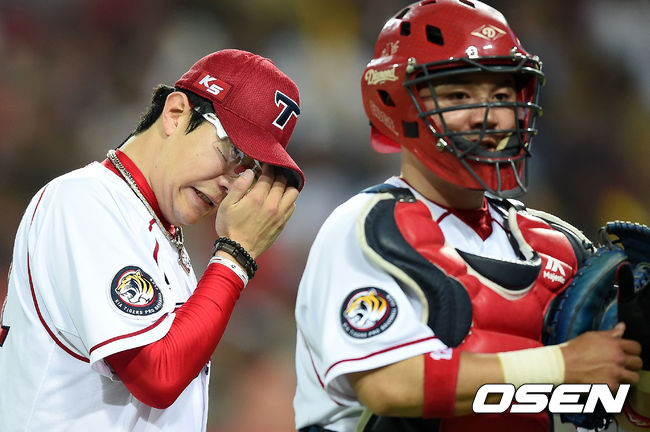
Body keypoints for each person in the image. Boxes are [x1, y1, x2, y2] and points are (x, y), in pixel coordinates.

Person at [293, 1, 649, 432]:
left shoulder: (561, 247)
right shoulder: (367, 227)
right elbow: (388, 385)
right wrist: (559, 364)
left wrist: (637, 364)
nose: (489, 117)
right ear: (398, 102)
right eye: (459, 95)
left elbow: (617, 407)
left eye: (501, 96)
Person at [0, 49, 303, 431]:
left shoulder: (157, 232)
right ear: (175, 113)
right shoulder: (85, 201)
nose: (233, 182)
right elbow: (156, 375)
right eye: (232, 151)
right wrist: (236, 256)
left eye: (250, 170)